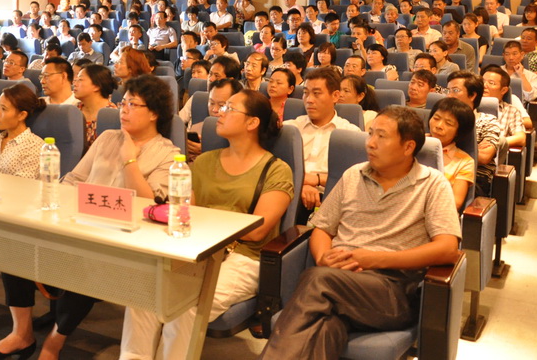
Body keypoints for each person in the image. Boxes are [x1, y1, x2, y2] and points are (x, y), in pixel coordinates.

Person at [0, 75, 178, 360]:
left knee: (88, 260)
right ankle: (21, 333)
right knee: (17, 240)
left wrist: (129, 160)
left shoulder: (166, 154)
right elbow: (74, 179)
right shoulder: (107, 138)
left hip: (123, 242)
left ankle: (54, 342)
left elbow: (151, 206)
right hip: (80, 225)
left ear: (154, 113)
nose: (123, 109)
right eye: (123, 103)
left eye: (133, 104)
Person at [263, 107, 461, 360]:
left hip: (392, 290)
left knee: (318, 280)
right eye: (370, 134)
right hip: (337, 279)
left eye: (382, 136)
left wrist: (372, 259)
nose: (371, 143)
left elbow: (447, 249)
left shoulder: (432, 183)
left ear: (408, 146)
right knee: (326, 327)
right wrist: (324, 257)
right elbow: (322, 227)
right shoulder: (353, 174)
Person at [121, 90, 294, 359]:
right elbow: (186, 213)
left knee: (186, 306)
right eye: (221, 106)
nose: (219, 113)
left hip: (243, 257)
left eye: (229, 108)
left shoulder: (276, 169)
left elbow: (257, 230)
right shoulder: (203, 162)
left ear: (252, 123)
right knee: (145, 296)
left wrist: (205, 223)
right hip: (198, 251)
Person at [286, 67, 360, 213]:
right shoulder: (290, 129)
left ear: (335, 96)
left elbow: (356, 179)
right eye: (306, 93)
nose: (309, 100)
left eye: (316, 93)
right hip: (289, 192)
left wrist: (318, 179)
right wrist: (301, 184)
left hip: (332, 200)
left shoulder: (350, 135)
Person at [446, 71, 500, 196]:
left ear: (472, 95)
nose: (449, 96)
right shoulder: (439, 119)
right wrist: (473, 150)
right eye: (448, 90)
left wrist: (445, 151)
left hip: (476, 178)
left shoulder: (488, 121)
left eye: (455, 90)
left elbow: (484, 156)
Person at [429, 97, 476, 210]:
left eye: (449, 123)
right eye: (436, 118)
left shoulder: (465, 162)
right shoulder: (411, 144)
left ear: (458, 132)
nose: (439, 126)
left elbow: (455, 203)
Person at [186, 78, 241, 160]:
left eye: (221, 105)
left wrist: (206, 151)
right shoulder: (196, 128)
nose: (214, 109)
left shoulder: (241, 134)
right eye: (211, 103)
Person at [73, 64, 118, 152]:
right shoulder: (74, 110)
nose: (74, 83)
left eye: (80, 79)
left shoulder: (112, 116)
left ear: (96, 86)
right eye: (76, 79)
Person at [481, 65, 526, 150]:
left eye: (491, 83)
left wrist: (494, 143)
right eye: (482, 81)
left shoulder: (511, 111)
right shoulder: (469, 105)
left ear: (503, 90)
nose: (484, 85)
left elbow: (521, 138)